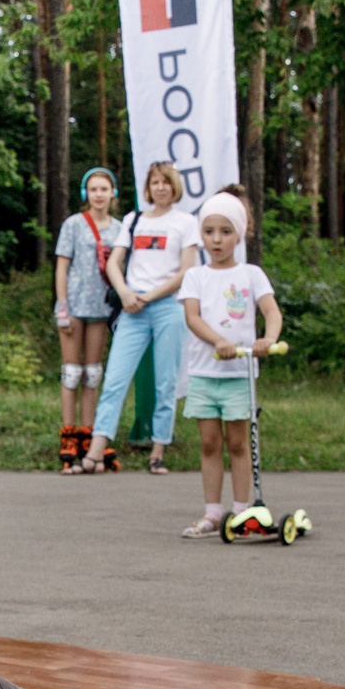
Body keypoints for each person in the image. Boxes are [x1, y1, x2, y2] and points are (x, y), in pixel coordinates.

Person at [75, 161, 201, 475]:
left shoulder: (186, 223)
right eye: (155, 182)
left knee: (165, 383)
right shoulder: (134, 220)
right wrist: (126, 293)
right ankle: (95, 453)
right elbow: (115, 263)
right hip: (133, 310)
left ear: (174, 187)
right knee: (115, 381)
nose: (161, 188)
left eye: (166, 182)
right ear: (148, 187)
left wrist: (151, 295)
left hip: (167, 308)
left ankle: (157, 451)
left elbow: (187, 271)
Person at [176, 190, 282, 538]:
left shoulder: (251, 274)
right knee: (209, 443)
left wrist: (267, 339)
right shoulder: (196, 276)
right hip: (206, 373)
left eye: (225, 231)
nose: (216, 239)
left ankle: (241, 512)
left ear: (239, 234)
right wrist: (218, 341)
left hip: (238, 375)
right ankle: (212, 513)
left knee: (238, 443)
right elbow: (193, 317)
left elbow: (271, 312)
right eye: (209, 232)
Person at [53, 168, 120, 471]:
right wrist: (62, 306)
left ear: (112, 193)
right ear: (85, 193)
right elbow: (62, 267)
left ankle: (88, 433)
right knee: (71, 372)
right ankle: (68, 434)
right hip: (74, 305)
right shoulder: (74, 225)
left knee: (92, 374)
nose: (99, 195)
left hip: (100, 307)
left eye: (104, 189)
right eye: (93, 189)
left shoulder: (120, 229)